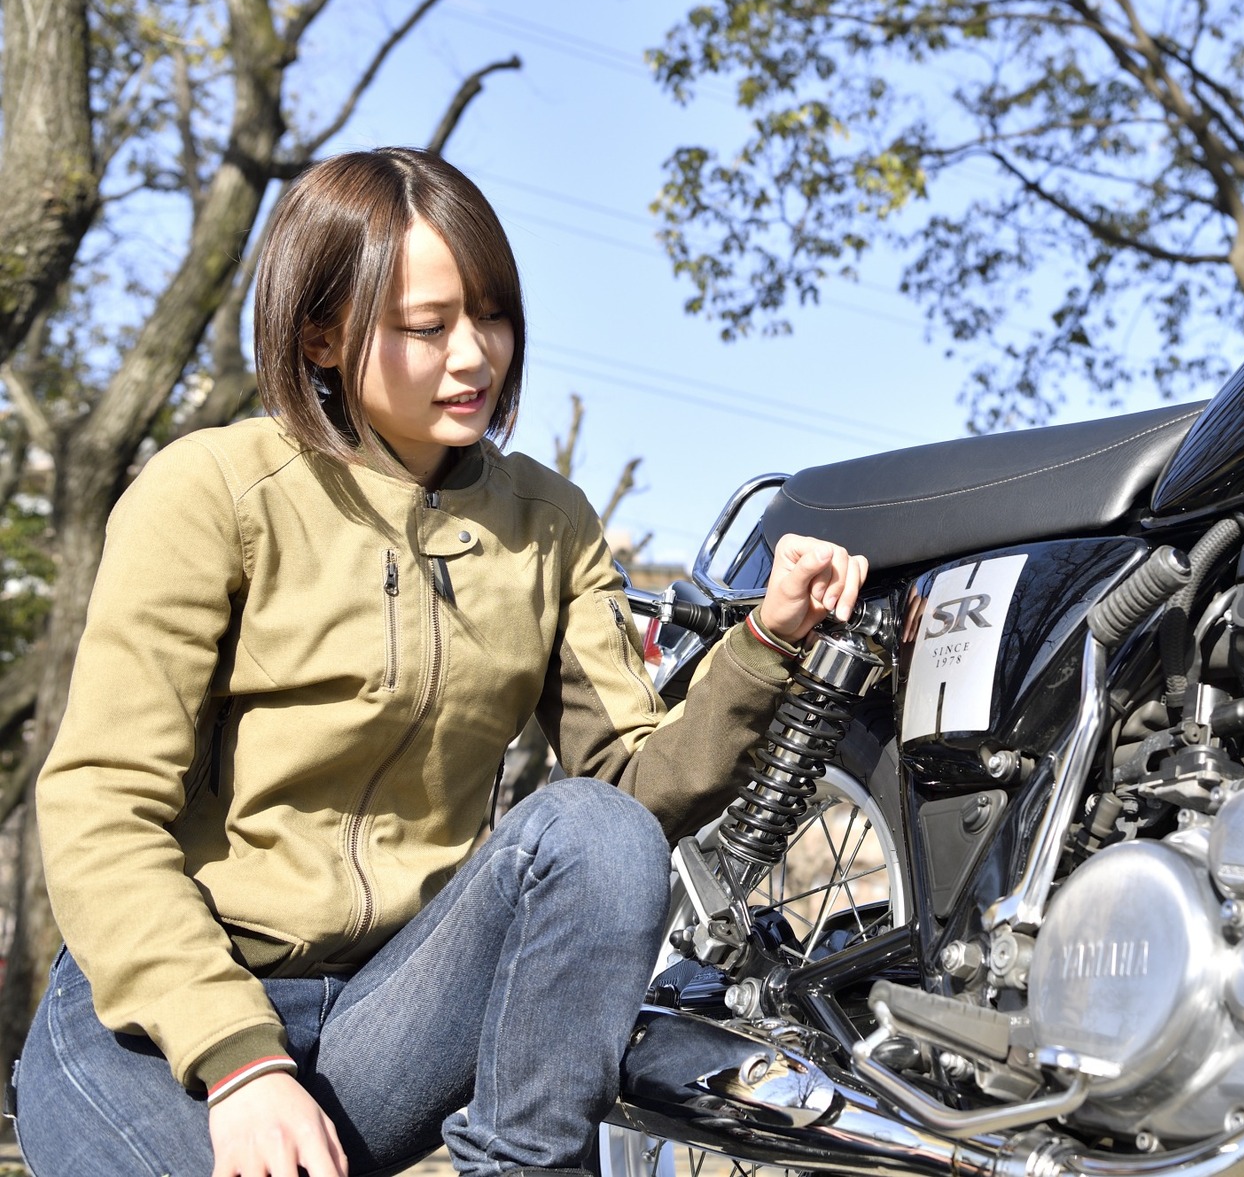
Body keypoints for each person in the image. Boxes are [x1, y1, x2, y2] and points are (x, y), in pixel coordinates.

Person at [12, 147, 867, 1177]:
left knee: (590, 831)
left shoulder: (548, 523)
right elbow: (102, 807)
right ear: (321, 335)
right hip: (155, 1027)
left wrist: (767, 644)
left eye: (493, 316)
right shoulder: (213, 491)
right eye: (427, 327)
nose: (476, 357)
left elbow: (628, 798)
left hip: (387, 1015)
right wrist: (240, 1063)